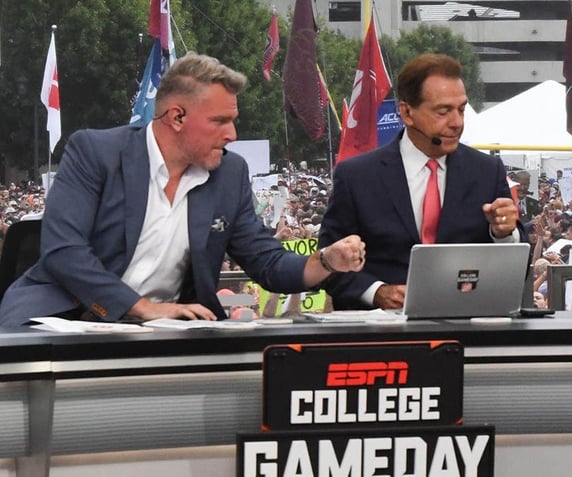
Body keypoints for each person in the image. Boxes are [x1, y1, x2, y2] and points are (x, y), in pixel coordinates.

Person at [0, 53, 365, 327]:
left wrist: (324, 261)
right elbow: (64, 253)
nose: (232, 135)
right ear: (176, 117)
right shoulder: (95, 152)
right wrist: (141, 308)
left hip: (167, 329)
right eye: (220, 121)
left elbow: (267, 263)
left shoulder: (230, 173)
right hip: (63, 318)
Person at [318, 53, 521, 310]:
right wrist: (376, 292)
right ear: (407, 112)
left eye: (461, 110)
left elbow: (517, 262)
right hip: (381, 335)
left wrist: (503, 233)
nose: (457, 123)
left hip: (465, 327)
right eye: (443, 111)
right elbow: (327, 263)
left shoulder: (486, 171)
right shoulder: (357, 176)